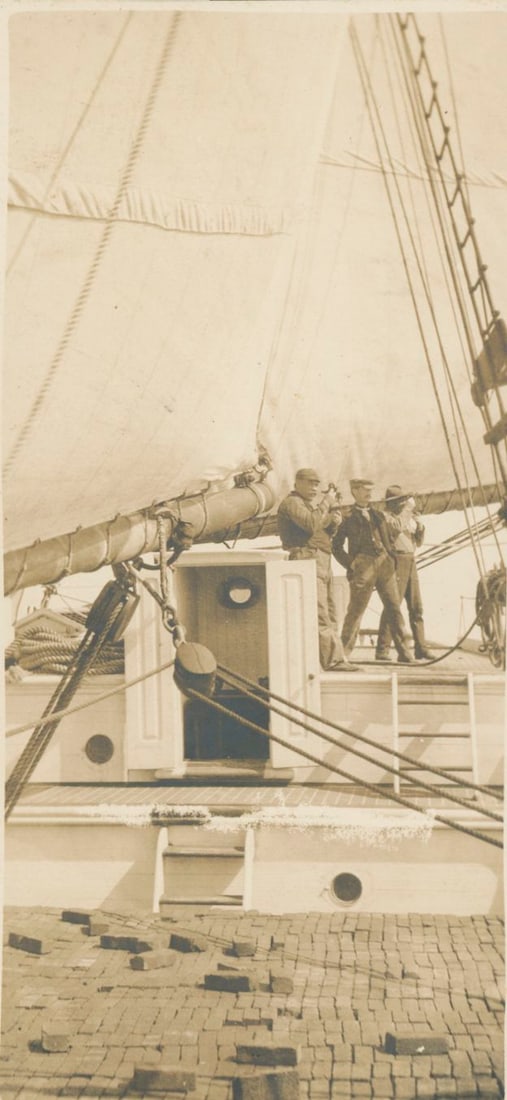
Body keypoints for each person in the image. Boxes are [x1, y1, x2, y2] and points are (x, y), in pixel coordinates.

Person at [277, 469, 359, 671]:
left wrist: (334, 524)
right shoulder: (291, 503)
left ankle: (335, 657)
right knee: (320, 613)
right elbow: (311, 524)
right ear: (297, 483)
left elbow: (321, 532)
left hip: (321, 559)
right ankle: (333, 661)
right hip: (307, 558)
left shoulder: (308, 506)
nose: (314, 488)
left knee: (330, 612)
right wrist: (327, 502)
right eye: (310, 484)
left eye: (316, 484)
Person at [332, 478, 414, 663]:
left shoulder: (379, 516)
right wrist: (351, 564)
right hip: (363, 567)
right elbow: (336, 546)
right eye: (364, 490)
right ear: (354, 491)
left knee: (394, 608)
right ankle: (342, 654)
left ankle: (404, 653)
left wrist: (391, 557)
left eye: (371, 490)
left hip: (385, 565)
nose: (369, 493)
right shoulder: (347, 517)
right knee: (356, 610)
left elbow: (389, 538)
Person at [375, 485, 434, 661]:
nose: (403, 503)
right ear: (392, 503)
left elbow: (418, 542)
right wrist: (408, 511)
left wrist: (420, 526)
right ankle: (382, 650)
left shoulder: (405, 517)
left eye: (404, 500)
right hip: (395, 561)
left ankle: (420, 647)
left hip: (410, 560)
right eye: (400, 501)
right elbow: (394, 529)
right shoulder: (387, 517)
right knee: (393, 606)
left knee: (416, 606)